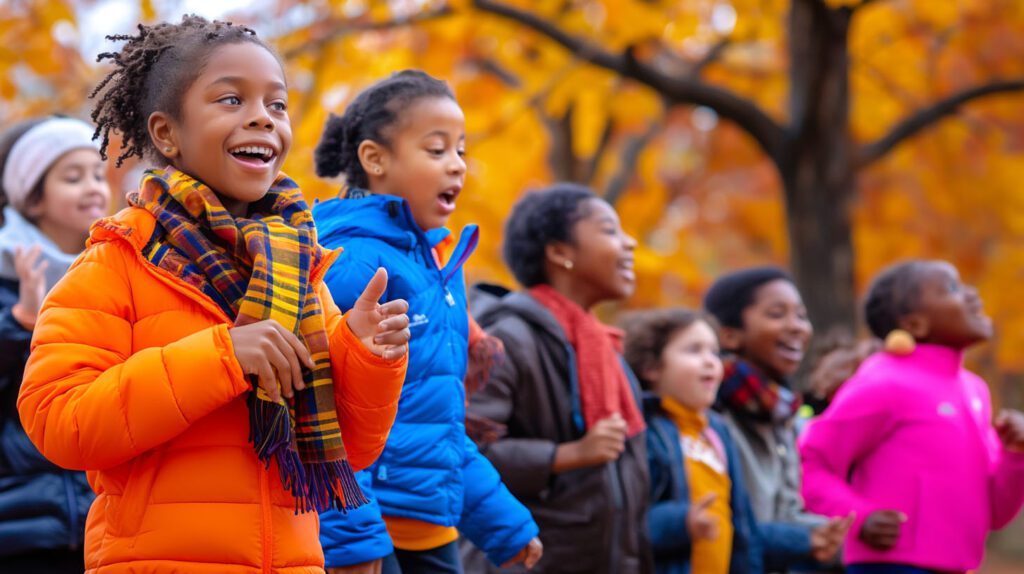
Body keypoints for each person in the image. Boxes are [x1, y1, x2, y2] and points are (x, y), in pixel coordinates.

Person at [17, 16, 410, 573]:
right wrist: (223, 357)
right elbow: (59, 422)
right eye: (230, 99)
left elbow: (352, 448)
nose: (261, 117)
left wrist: (366, 353)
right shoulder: (116, 260)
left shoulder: (298, 267)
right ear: (167, 134)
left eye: (277, 105)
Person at [311, 70, 540, 574]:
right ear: (375, 159)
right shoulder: (352, 260)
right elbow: (321, 405)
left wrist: (503, 524)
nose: (457, 165)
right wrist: (352, 536)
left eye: (461, 150)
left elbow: (437, 415)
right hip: (371, 530)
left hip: (431, 524)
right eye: (437, 151)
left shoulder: (437, 268)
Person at [463, 183, 653, 573]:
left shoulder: (607, 352)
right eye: (609, 230)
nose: (630, 243)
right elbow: (465, 449)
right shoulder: (508, 339)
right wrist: (564, 456)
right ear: (559, 252)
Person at [799, 260, 1024, 574]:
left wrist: (1015, 455)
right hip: (891, 567)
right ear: (915, 324)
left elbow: (994, 513)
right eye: (952, 289)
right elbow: (809, 463)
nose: (972, 295)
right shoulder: (885, 381)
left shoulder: (975, 391)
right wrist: (858, 516)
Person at [0, 115, 110, 572]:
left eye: (98, 174)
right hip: (20, 525)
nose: (92, 187)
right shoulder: (6, 277)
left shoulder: (111, 270)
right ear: (33, 197)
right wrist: (19, 322)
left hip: (100, 521)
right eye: (72, 177)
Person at [703, 267, 850, 572]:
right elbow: (726, 528)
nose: (797, 327)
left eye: (801, 315)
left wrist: (843, 535)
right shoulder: (712, 412)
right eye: (776, 314)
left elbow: (786, 512)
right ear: (729, 335)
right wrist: (805, 539)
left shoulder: (781, 411)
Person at [623, 308, 763, 574]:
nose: (711, 361)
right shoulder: (645, 431)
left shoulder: (717, 432)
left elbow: (744, 527)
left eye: (714, 351)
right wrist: (682, 522)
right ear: (651, 366)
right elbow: (627, 521)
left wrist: (805, 540)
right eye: (694, 350)